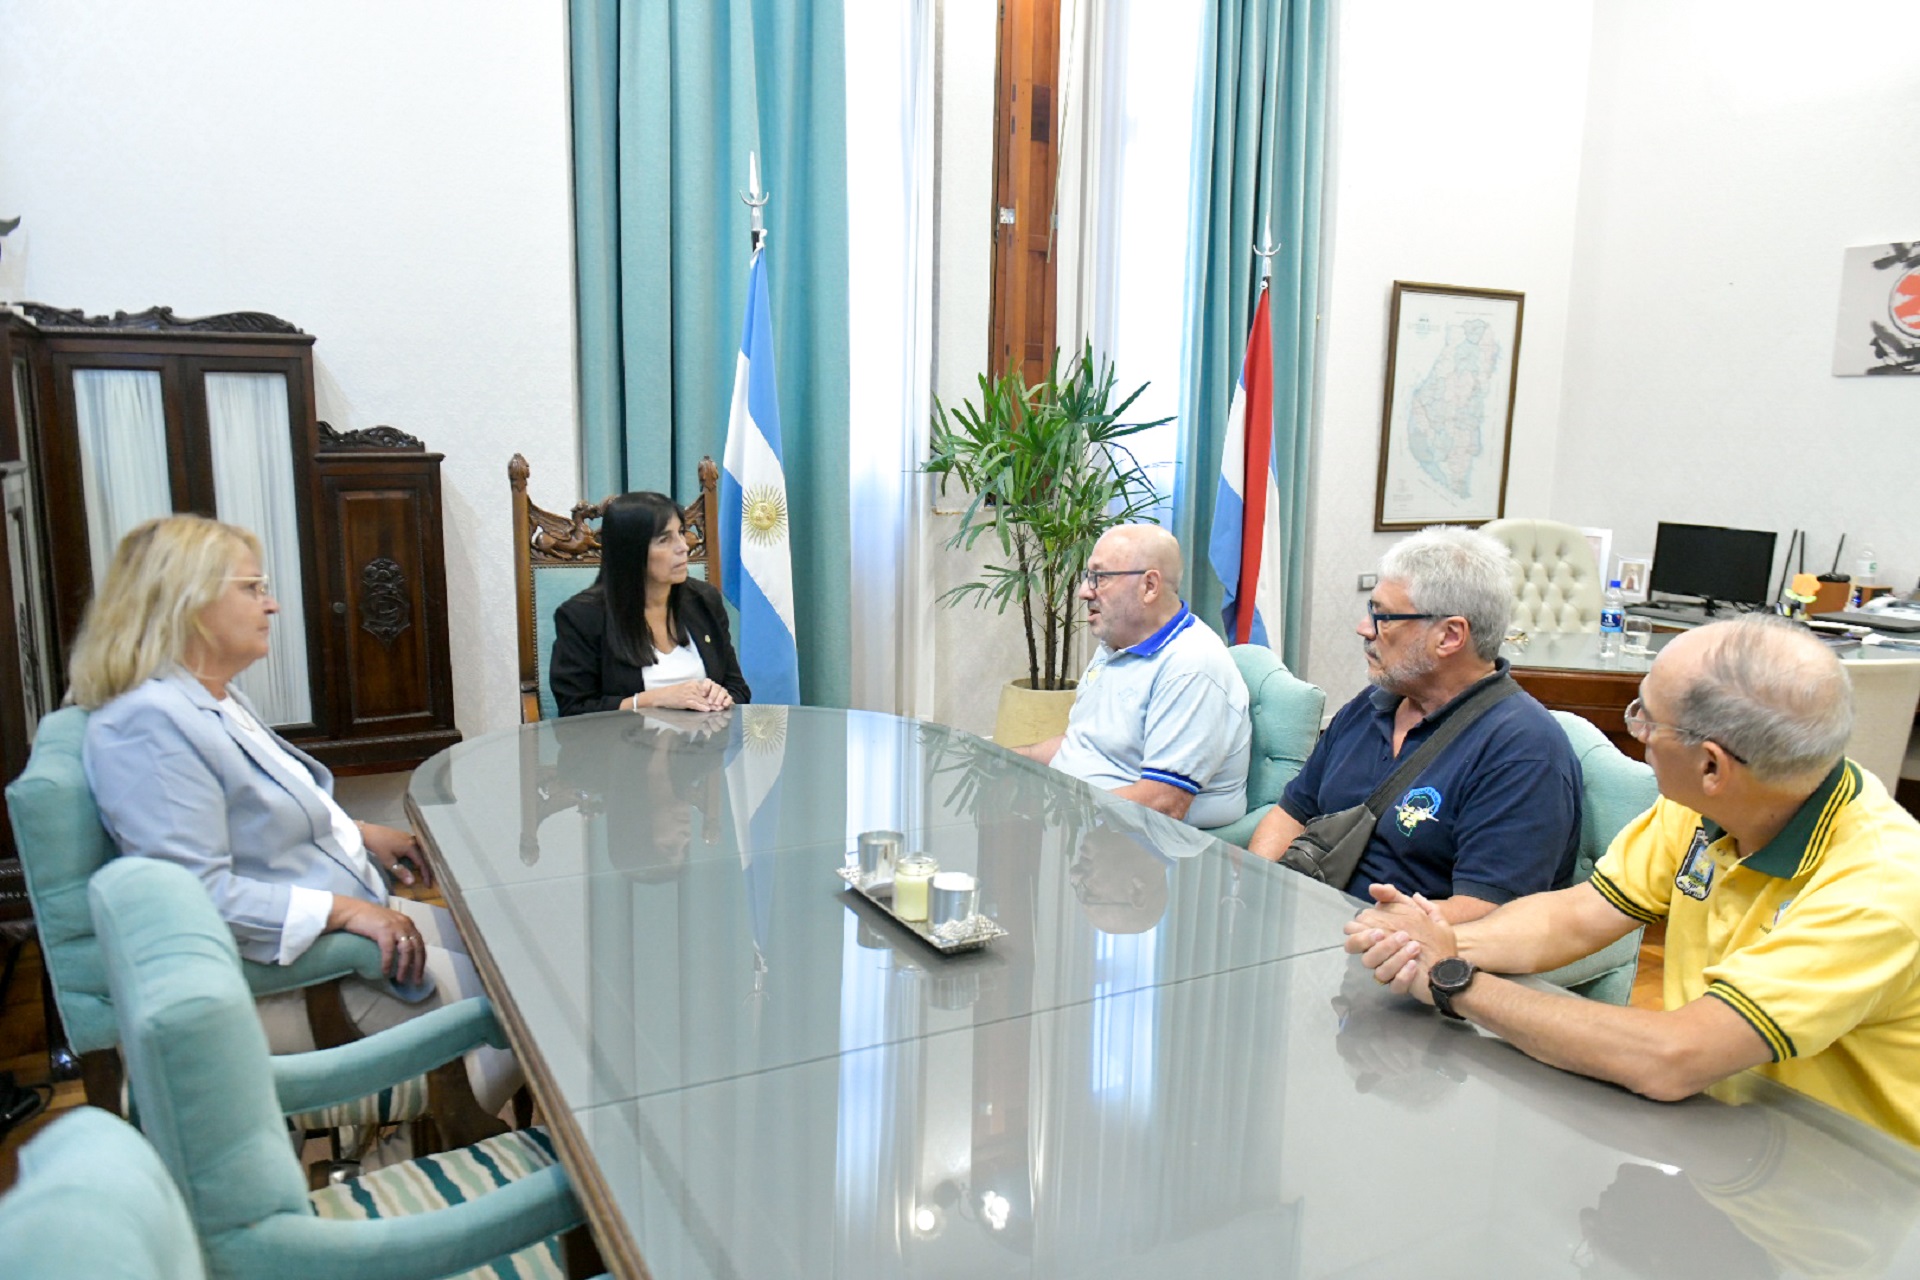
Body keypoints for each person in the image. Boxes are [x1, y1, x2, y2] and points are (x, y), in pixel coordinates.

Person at [1346, 614, 1920, 1147]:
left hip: (1848, 1185)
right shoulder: (1705, 806)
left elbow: (1672, 1057)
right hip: (1728, 1134)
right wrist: (1425, 937)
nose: (1637, 732)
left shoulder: (1878, 888)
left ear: (1713, 765)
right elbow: (1578, 916)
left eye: (1645, 717)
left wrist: (1454, 980)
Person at [75, 515, 516, 1114]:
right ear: (188, 602)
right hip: (293, 978)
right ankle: (453, 1149)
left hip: (338, 936)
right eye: (252, 587)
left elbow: (252, 815)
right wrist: (345, 910)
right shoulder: (147, 725)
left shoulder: (210, 696)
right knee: (532, 1018)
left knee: (516, 960)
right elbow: (194, 897)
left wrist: (358, 834)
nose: (273, 604)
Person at [1248, 527, 1581, 921]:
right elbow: (1290, 814)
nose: (1365, 628)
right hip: (1310, 931)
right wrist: (1257, 897)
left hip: (1399, 959)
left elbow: (1487, 913)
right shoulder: (1368, 706)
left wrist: (1359, 935)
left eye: (1383, 617)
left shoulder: (1523, 750)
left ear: (1450, 636)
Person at [1019, 524, 1250, 828]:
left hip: (1138, 844)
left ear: (1149, 586)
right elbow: (1080, 743)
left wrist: (1060, 813)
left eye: (1099, 577)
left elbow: (1163, 803)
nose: (1083, 591)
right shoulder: (1117, 643)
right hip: (1083, 816)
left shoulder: (1192, 665)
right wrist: (1001, 759)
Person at [550, 490, 749, 716]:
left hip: (705, 747)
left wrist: (722, 696)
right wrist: (655, 699)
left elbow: (739, 689)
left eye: (681, 533)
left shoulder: (704, 599)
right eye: (665, 539)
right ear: (631, 551)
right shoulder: (582, 617)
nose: (683, 547)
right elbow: (573, 711)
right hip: (621, 748)